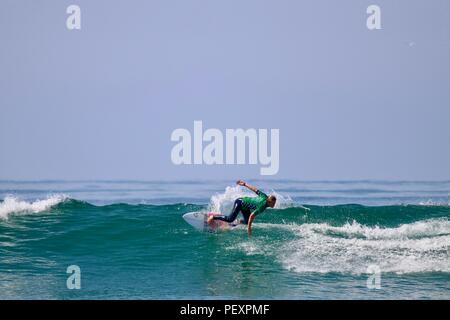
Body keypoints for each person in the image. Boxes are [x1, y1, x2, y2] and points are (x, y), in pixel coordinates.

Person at [208, 180, 276, 236]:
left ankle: (236, 222)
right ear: (269, 202)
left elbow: (255, 189)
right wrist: (249, 229)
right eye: (273, 203)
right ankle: (213, 217)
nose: (274, 204)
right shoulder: (262, 206)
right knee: (230, 219)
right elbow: (252, 216)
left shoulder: (264, 196)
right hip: (240, 202)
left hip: (245, 207)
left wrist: (245, 184)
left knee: (246, 222)